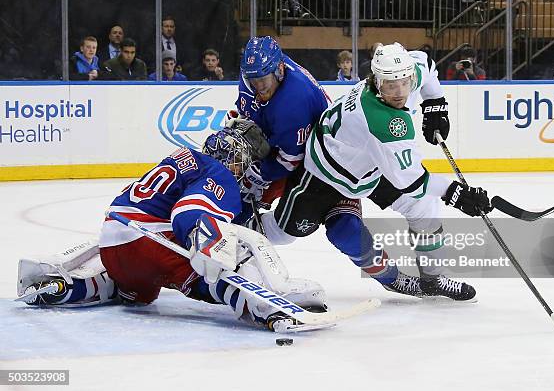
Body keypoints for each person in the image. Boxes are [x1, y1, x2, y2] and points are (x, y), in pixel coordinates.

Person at [17, 127, 327, 332]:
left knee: (134, 289)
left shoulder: (181, 160)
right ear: (234, 157)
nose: (242, 169)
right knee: (231, 251)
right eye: (243, 161)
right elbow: (189, 213)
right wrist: (213, 250)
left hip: (114, 242)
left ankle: (66, 288)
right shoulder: (218, 171)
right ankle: (268, 309)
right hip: (149, 246)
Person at [251, 42, 493, 301]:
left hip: (368, 167)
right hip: (323, 174)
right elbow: (412, 181)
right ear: (376, 82)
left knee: (422, 207)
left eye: (404, 82)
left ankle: (433, 279)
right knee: (287, 233)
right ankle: (232, 230)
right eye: (390, 85)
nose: (400, 92)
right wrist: (456, 193)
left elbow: (427, 63)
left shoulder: (404, 75)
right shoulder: (381, 120)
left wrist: (436, 103)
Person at [234, 36, 425, 299]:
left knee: (344, 231)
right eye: (253, 81)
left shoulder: (294, 102)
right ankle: (230, 237)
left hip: (314, 169)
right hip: (318, 162)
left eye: (262, 82)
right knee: (279, 224)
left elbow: (288, 160)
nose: (257, 87)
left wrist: (258, 175)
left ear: (278, 70)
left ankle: (393, 278)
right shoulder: (259, 71)